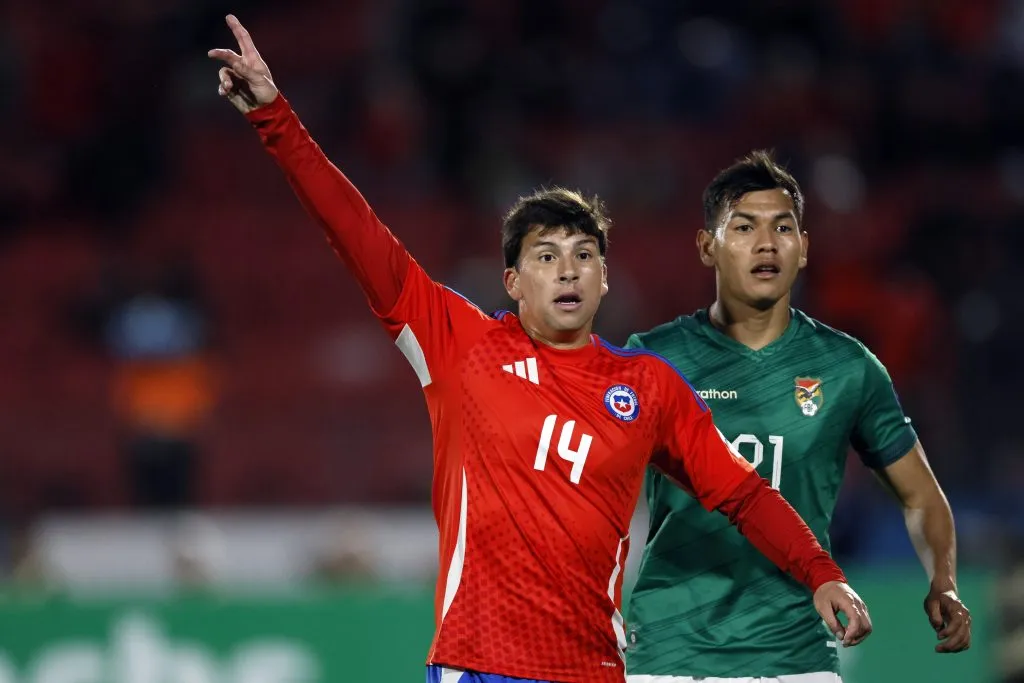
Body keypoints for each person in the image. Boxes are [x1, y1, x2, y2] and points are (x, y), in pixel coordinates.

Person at [208, 18, 871, 683]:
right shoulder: (460, 344)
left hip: (592, 670)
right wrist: (276, 117)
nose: (568, 271)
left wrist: (820, 574)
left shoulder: (648, 386)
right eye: (547, 257)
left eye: (585, 256)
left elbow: (744, 494)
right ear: (512, 281)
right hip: (480, 664)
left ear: (605, 279)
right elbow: (355, 233)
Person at [623, 151, 971, 683]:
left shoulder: (847, 368)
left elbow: (920, 495)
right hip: (670, 656)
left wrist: (942, 582)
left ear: (804, 249)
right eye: (743, 227)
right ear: (706, 247)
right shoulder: (652, 360)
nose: (767, 243)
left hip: (796, 658)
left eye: (782, 228)